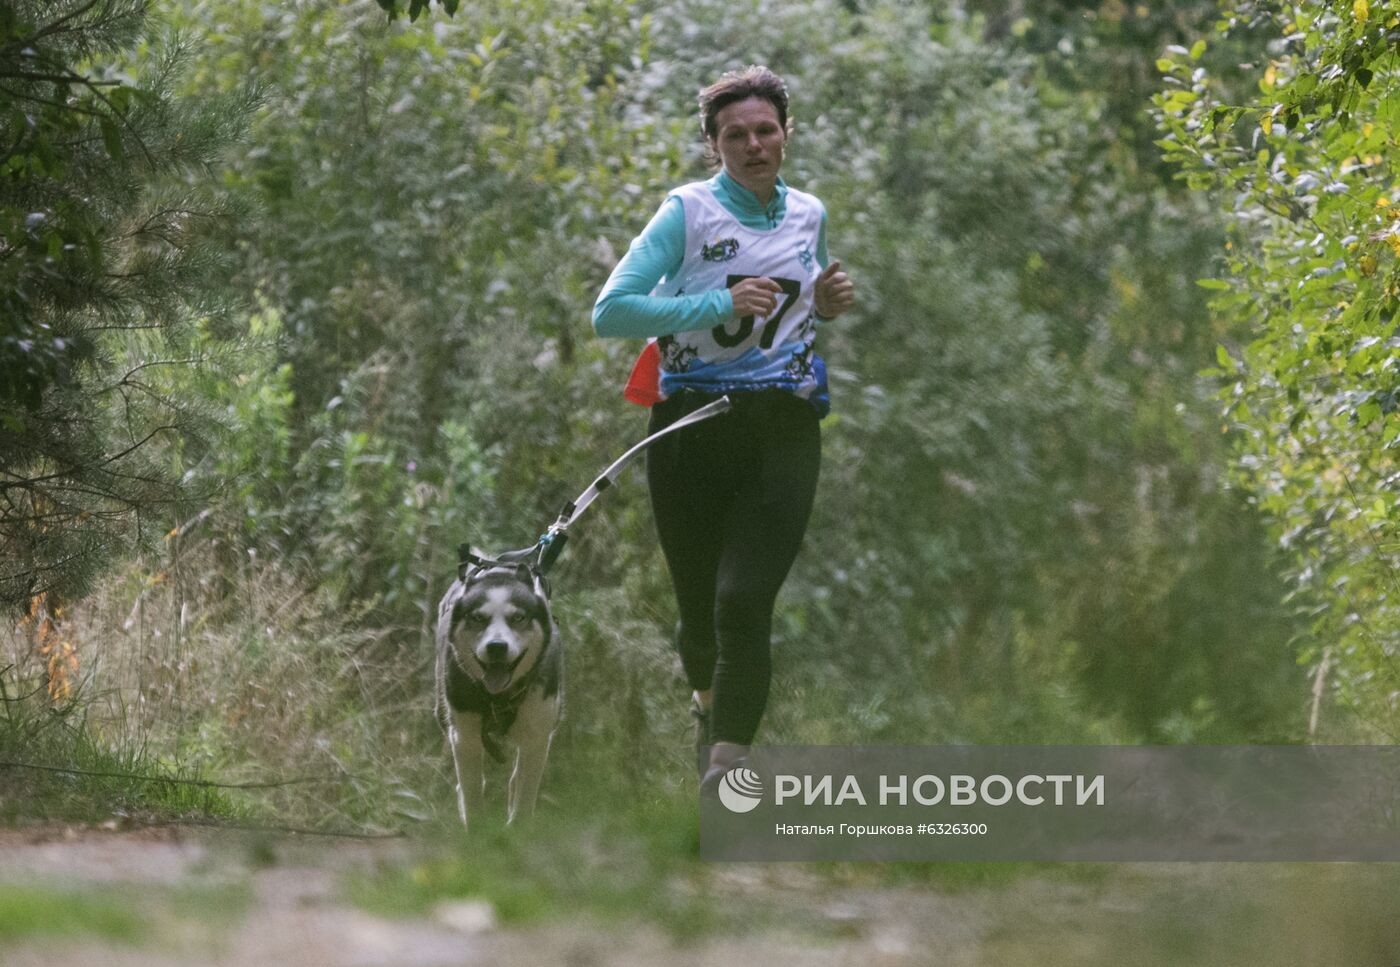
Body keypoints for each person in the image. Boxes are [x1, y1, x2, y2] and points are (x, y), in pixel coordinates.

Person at [592, 65, 856, 792]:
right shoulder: (687, 212)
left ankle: (726, 765)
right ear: (713, 145)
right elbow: (610, 311)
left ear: (786, 133)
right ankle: (710, 717)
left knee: (744, 599)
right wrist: (715, 302)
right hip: (691, 425)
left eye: (765, 130)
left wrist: (825, 305)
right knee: (700, 610)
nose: (753, 145)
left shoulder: (808, 213)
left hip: (783, 424)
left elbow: (792, 310)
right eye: (735, 134)